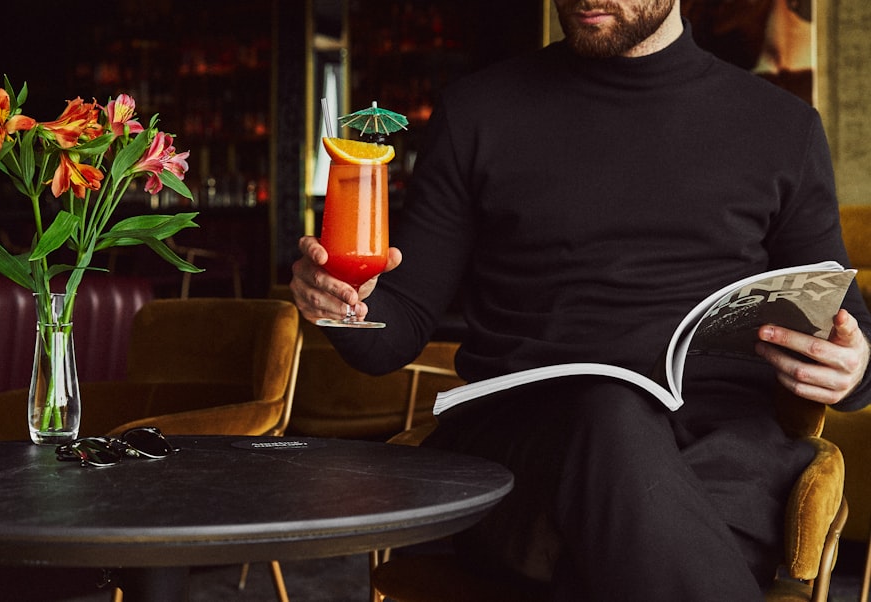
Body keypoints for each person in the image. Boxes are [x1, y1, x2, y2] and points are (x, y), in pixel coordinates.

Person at [291, 0, 871, 599]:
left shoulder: (781, 126)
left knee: (628, 506)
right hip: (524, 461)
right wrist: (342, 302)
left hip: (719, 462)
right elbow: (396, 330)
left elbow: (848, 328)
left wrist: (851, 367)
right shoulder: (479, 112)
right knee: (609, 413)